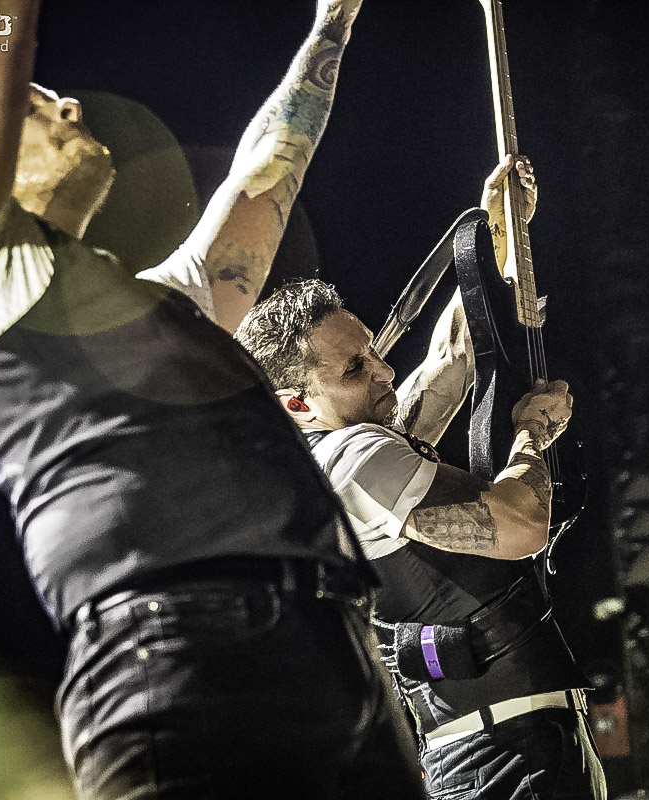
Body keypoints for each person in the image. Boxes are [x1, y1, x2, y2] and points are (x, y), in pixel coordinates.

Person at [0, 1, 426, 798]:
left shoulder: (165, 307)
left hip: (337, 649)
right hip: (176, 649)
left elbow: (269, 169)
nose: (70, 105)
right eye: (35, 102)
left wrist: (332, 23)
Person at [236, 157, 607, 799]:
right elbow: (521, 524)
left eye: (372, 351)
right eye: (354, 369)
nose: (383, 371)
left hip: (516, 744)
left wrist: (499, 231)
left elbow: (455, 354)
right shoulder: (352, 461)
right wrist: (532, 433)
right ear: (297, 404)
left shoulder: (364, 442)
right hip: (501, 758)